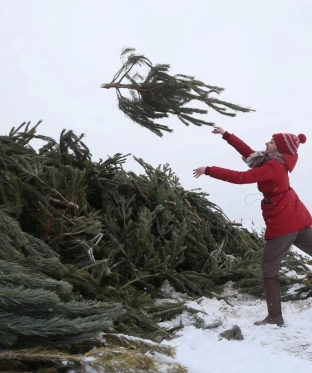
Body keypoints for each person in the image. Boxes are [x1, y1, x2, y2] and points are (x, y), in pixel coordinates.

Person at [193, 126, 312, 327]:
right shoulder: (269, 161)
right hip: (297, 216)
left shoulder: (273, 166)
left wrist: (209, 170)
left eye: (271, 142)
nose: (267, 143)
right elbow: (248, 153)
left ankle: (275, 317)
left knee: (268, 268)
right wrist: (226, 135)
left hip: (284, 221)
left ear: (279, 149)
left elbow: (241, 178)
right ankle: (275, 316)